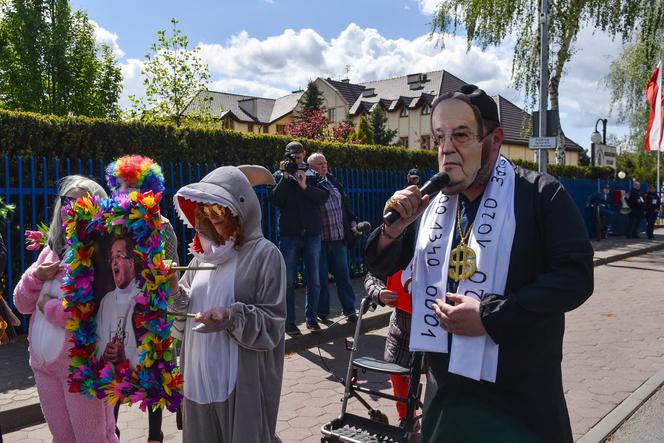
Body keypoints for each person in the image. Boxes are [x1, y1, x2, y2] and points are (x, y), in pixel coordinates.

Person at [364, 84, 593, 442]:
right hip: (447, 398)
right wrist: (392, 229)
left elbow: (575, 277)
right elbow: (380, 263)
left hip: (519, 401)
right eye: (439, 137)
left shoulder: (540, 195)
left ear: (495, 139)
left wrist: (491, 316)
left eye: (461, 135)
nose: (446, 150)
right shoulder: (432, 205)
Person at [172, 165, 286, 442]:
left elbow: (273, 322)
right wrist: (173, 287)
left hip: (239, 380)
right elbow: (182, 316)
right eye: (206, 212)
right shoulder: (201, 259)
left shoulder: (264, 255)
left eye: (219, 210)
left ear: (238, 209)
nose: (213, 219)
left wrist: (231, 316)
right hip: (198, 379)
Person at [14, 175, 117, 443]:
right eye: (67, 200)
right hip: (43, 367)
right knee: (62, 438)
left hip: (79, 369)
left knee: (93, 438)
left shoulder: (100, 254)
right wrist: (36, 276)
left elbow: (88, 311)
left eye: (80, 200)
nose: (71, 207)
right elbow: (21, 304)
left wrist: (46, 306)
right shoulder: (51, 252)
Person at [105, 154, 179, 442]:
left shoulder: (162, 224)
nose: (126, 191)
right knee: (114, 372)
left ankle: (154, 434)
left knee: (153, 376)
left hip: (151, 316)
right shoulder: (111, 225)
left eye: (133, 185)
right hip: (117, 312)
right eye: (121, 185)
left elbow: (172, 267)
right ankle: (110, 430)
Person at [269, 141, 329, 335]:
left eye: (300, 154)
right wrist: (286, 177)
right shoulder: (279, 175)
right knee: (287, 281)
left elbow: (322, 198)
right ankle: (289, 322)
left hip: (312, 233)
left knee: (315, 279)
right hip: (290, 235)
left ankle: (311, 319)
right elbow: (276, 200)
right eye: (293, 155)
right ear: (287, 156)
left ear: (305, 153)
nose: (297, 158)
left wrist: (304, 186)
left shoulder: (312, 174)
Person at [364, 270, 420, 431]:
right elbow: (373, 274)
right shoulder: (399, 248)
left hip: (438, 324)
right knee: (397, 371)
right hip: (403, 325)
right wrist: (379, 292)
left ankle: (435, 420)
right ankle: (407, 418)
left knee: (437, 377)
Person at [307, 152, 358, 323]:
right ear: (311, 168)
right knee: (320, 279)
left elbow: (345, 202)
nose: (324, 166)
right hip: (319, 241)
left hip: (338, 238)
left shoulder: (333, 180)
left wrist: (352, 221)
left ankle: (350, 311)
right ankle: (322, 313)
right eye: (319, 164)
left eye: (325, 162)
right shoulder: (309, 183)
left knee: (343, 276)